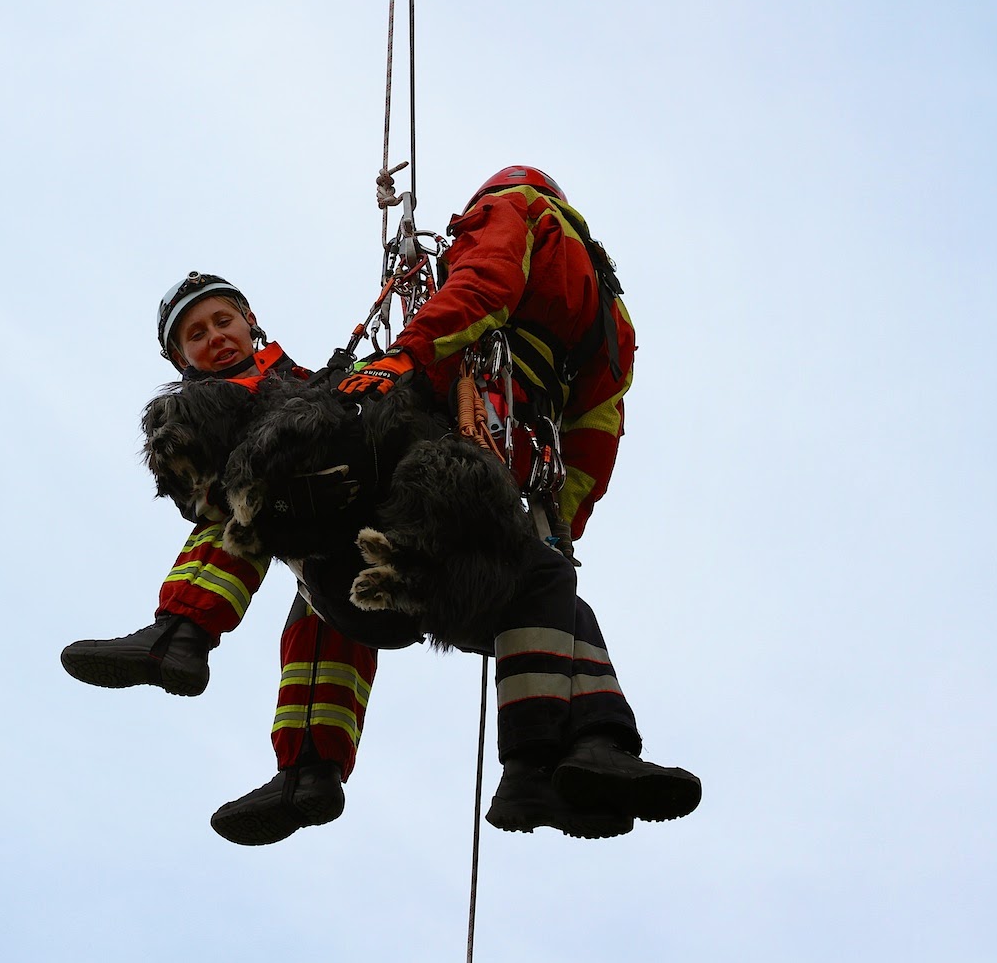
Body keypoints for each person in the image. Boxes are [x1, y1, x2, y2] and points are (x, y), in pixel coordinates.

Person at [327, 165, 700, 836]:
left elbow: (482, 286)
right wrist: (565, 523)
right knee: (551, 585)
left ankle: (537, 765)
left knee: (523, 573)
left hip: (471, 414)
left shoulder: (513, 210)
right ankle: (596, 747)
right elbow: (598, 425)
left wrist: (405, 356)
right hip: (531, 450)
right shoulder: (609, 306)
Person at [60, 272, 379, 845]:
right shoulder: (207, 408)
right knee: (323, 615)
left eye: (222, 321)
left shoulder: (297, 382)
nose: (216, 337)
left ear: (250, 321)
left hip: (354, 509)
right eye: (197, 334)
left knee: (246, 521)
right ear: (181, 358)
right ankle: (311, 771)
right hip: (329, 531)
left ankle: (179, 637)